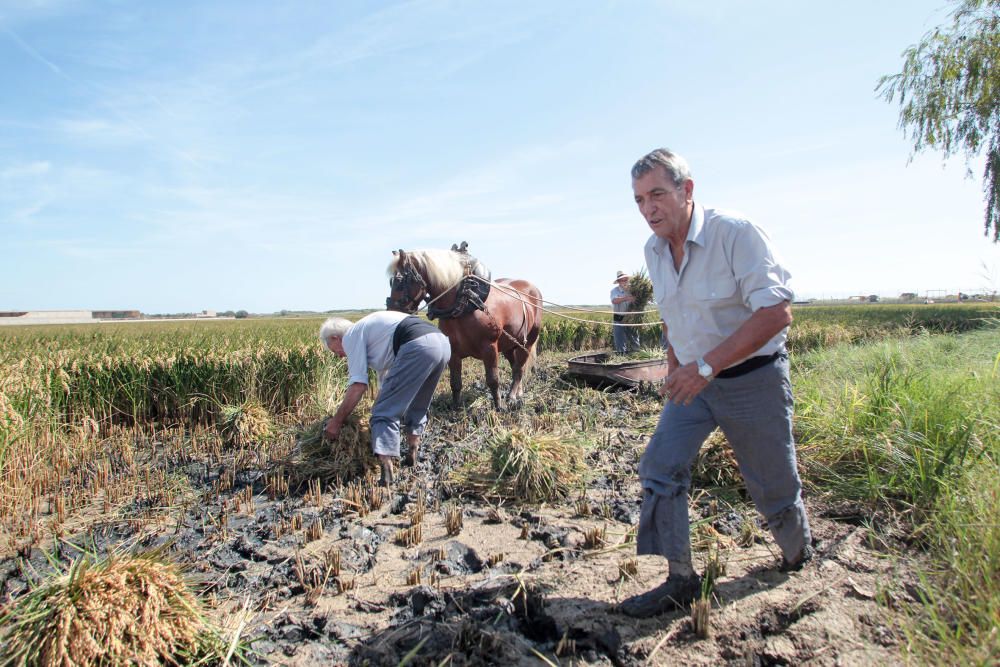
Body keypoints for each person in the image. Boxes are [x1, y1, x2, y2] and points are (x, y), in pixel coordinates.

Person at [620, 148, 813, 618]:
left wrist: (705, 366)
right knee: (659, 468)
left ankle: (798, 555)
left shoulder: (736, 234)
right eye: (640, 200)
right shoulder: (654, 250)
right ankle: (680, 579)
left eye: (658, 195)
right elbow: (673, 318)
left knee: (772, 487)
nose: (649, 209)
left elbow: (776, 312)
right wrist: (675, 365)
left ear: (687, 190)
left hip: (753, 380)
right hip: (693, 386)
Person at [319, 311, 450, 486]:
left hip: (417, 345)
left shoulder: (351, 335)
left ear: (336, 338)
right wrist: (377, 403)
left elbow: (358, 384)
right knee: (417, 403)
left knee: (383, 413)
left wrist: (336, 422)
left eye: (335, 351)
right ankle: (412, 453)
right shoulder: (373, 335)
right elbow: (385, 384)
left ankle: (386, 472)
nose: (340, 356)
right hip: (441, 343)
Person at [610, 271, 640, 353]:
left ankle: (637, 354)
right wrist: (626, 298)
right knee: (620, 338)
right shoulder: (614, 291)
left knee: (634, 337)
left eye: (626, 280)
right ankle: (621, 356)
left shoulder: (633, 289)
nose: (625, 282)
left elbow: (639, 300)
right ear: (619, 282)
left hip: (631, 317)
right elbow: (614, 301)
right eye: (622, 280)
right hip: (619, 316)